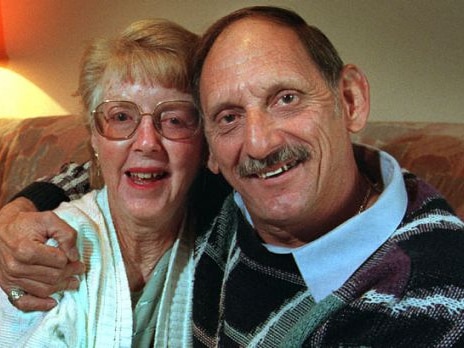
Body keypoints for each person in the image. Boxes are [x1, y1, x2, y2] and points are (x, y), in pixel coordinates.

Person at [1, 6, 464, 347]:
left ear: (349, 101)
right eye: (228, 116)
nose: (259, 143)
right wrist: (19, 208)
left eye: (285, 98)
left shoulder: (432, 294)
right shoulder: (229, 198)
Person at [0, 17, 222, 346]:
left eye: (174, 119)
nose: (147, 142)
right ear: (93, 136)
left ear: (204, 139)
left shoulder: (228, 238)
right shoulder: (42, 253)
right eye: (121, 117)